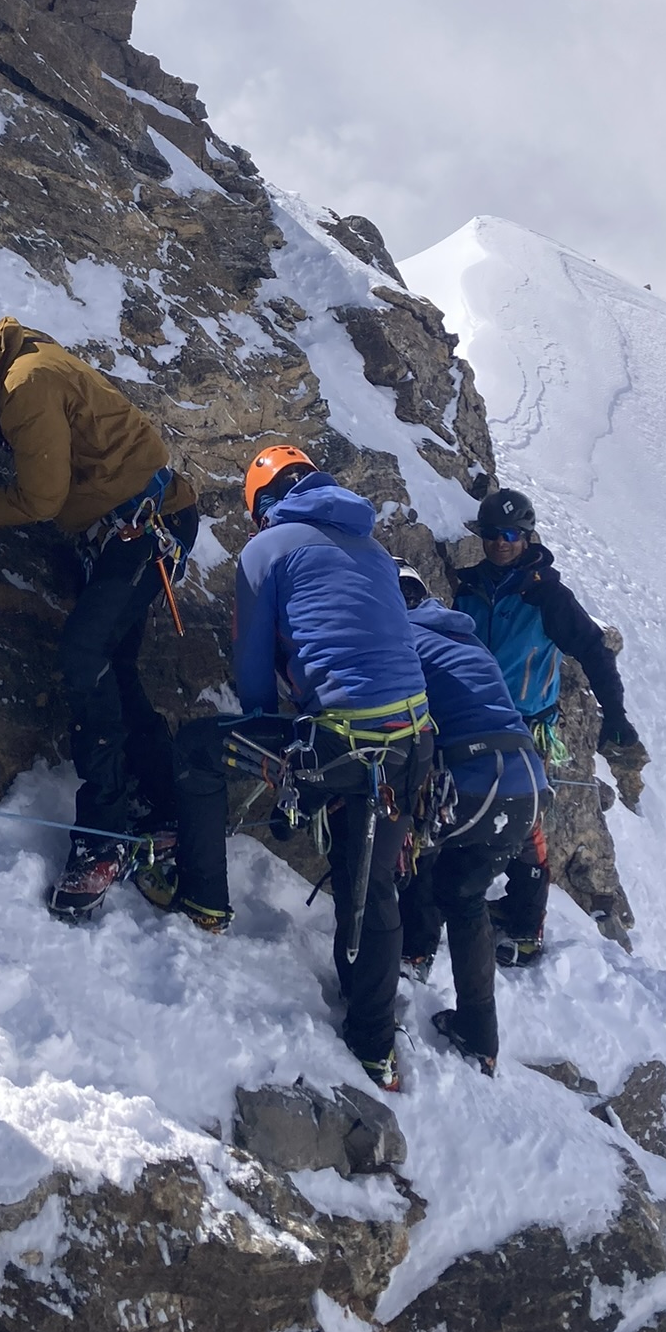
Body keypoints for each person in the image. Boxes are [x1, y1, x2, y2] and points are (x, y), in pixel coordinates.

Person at [0, 310, 197, 920]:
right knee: (112, 668)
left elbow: (41, 498)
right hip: (131, 526)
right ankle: (164, 808)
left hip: (143, 526)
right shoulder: (11, 368)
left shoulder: (25, 383)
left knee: (85, 656)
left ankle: (103, 836)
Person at [146, 446, 432, 1091]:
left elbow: (252, 666)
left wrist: (269, 738)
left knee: (197, 750)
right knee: (372, 882)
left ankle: (204, 901)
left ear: (264, 506)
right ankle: (375, 1045)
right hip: (412, 742)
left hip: (338, 743)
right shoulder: (374, 549)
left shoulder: (267, 550)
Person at [452, 487, 644, 965]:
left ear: (527, 536)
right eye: (492, 534)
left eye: (510, 535)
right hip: (469, 720)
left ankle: (525, 929)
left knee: (523, 825)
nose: (500, 543)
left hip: (524, 727)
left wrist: (615, 715)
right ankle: (463, 898)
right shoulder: (468, 588)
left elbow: (594, 651)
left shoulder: (547, 596)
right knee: (459, 810)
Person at [395, 568, 548, 1077]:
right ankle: (480, 1034)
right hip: (527, 782)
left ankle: (414, 952)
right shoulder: (468, 642)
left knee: (419, 846)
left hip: (477, 776)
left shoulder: (404, 638)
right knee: (463, 894)